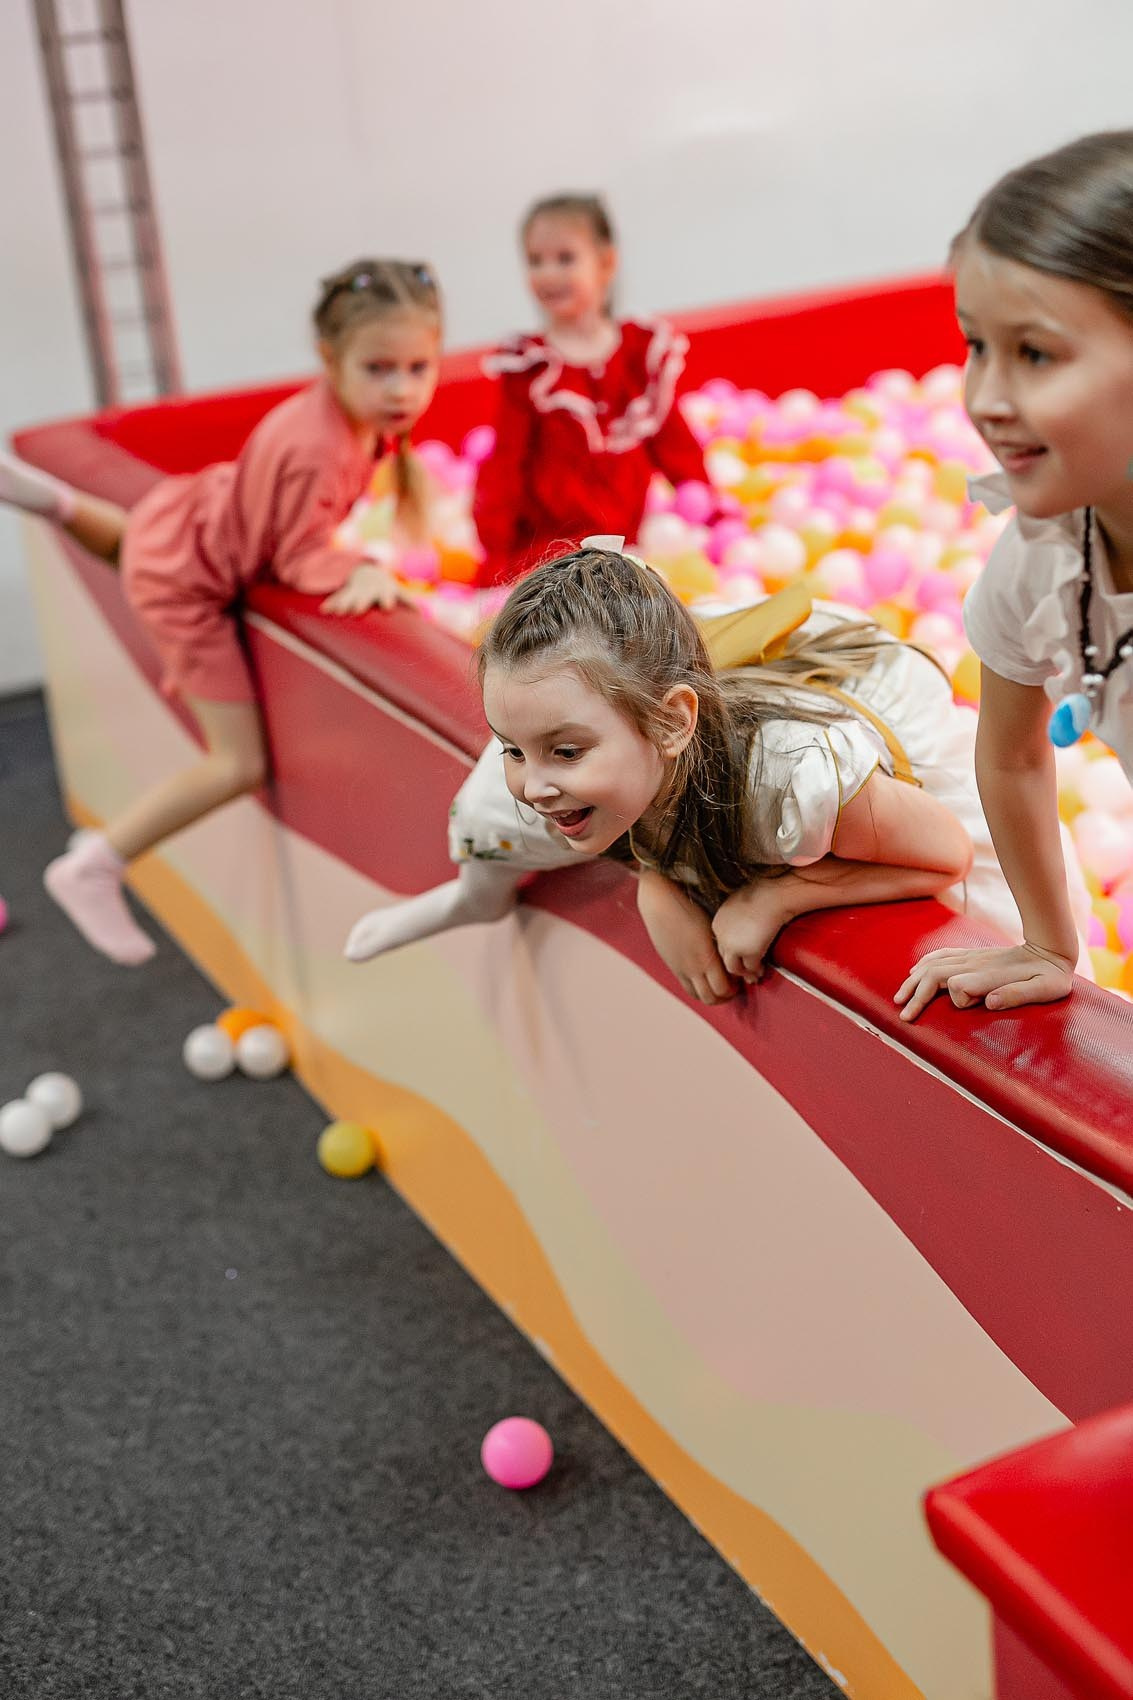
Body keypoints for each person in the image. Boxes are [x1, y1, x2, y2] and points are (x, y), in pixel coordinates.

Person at [344, 543, 1046, 1004]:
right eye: (512, 746)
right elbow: (591, 780)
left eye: (562, 750)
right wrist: (656, 878)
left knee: (999, 928)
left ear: (672, 723)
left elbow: (945, 854)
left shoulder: (788, 781)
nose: (532, 782)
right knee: (497, 813)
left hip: (856, 705)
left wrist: (778, 899)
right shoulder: (579, 763)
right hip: (652, 719)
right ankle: (474, 894)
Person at [0, 258, 442, 966]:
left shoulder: (341, 415)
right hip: (190, 583)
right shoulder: (320, 452)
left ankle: (52, 500)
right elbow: (299, 561)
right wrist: (360, 567)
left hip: (189, 516)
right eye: (380, 369)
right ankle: (96, 865)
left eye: (419, 368)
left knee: (138, 544)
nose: (402, 389)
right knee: (236, 763)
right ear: (330, 358)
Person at [898, 131, 1133, 1020]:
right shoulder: (1039, 557)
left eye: (1033, 353)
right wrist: (1045, 940)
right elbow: (1008, 753)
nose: (987, 398)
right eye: (974, 346)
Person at [472, 194, 709, 584]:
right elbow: (505, 462)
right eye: (535, 260)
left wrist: (702, 498)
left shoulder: (637, 354)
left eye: (565, 258)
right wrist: (496, 551)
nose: (548, 274)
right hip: (552, 547)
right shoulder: (533, 366)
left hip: (628, 543)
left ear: (605, 263)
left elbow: (672, 438)